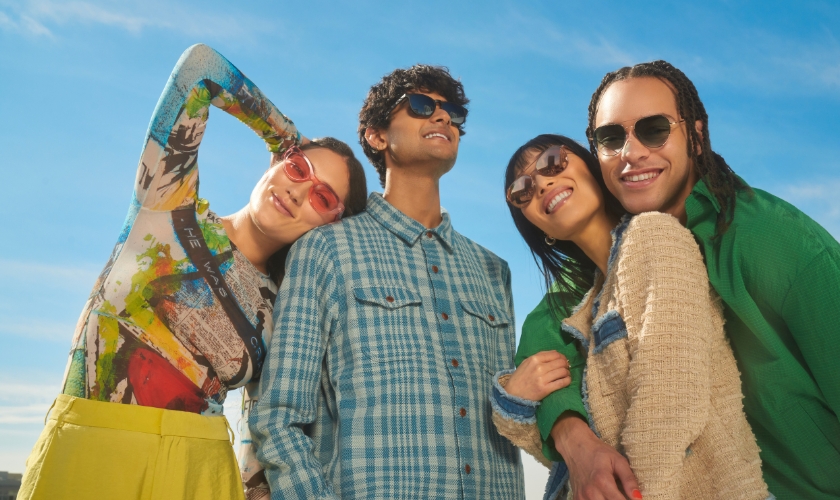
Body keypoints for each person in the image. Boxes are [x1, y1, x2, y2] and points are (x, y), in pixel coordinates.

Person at [522, 60, 840, 499]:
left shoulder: (772, 239)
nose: (631, 152)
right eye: (611, 138)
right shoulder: (617, 264)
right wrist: (575, 440)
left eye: (654, 129)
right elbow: (547, 330)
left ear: (696, 134)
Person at [17, 44, 367, 500]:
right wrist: (284, 136)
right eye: (298, 168)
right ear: (277, 163)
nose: (301, 191)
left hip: (199, 474)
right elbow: (201, 71)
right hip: (84, 449)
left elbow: (259, 439)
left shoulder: (286, 306)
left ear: (331, 226)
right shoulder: (168, 206)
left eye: (323, 197)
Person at [249, 65, 524, 499]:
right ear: (377, 135)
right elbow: (279, 418)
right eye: (421, 106)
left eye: (451, 112)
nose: (442, 118)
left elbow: (510, 419)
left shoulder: (494, 271)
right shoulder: (326, 251)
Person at [489, 134, 771, 500]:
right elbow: (561, 454)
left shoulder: (653, 235)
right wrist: (514, 399)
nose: (541, 182)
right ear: (537, 227)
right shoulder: (586, 309)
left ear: (593, 168)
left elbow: (669, 406)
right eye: (521, 190)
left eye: (552, 161)